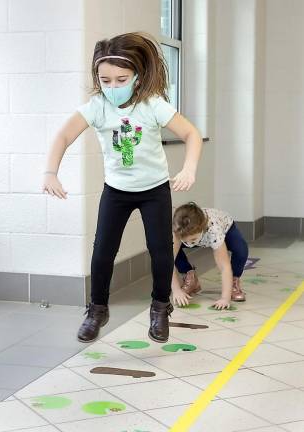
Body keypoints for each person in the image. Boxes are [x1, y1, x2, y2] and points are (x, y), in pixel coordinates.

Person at [42, 32, 202, 343]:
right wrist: (51, 172)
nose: (112, 86)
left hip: (154, 189)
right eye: (105, 80)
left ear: (138, 77)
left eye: (121, 79)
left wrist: (189, 168)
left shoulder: (152, 105)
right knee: (102, 251)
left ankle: (159, 306)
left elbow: (191, 134)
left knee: (159, 251)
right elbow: (62, 136)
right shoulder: (97, 107)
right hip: (116, 190)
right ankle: (97, 309)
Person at [172, 202, 248, 309]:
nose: (189, 244)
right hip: (197, 233)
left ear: (201, 229)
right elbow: (168, 263)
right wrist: (176, 290)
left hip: (225, 227)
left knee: (241, 250)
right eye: (185, 240)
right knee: (168, 251)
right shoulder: (177, 231)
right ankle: (190, 276)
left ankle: (233, 282)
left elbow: (224, 266)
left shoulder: (214, 230)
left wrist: (225, 298)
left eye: (192, 240)